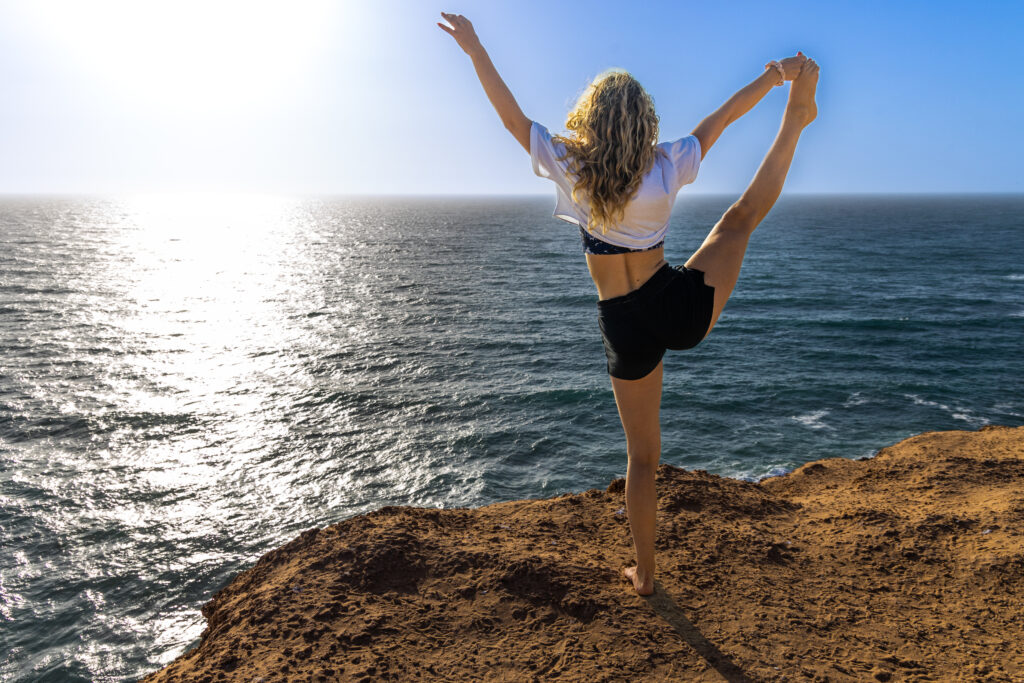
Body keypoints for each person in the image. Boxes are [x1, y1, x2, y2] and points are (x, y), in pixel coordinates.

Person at [438, 11, 819, 596]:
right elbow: (719, 120)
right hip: (678, 306)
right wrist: (775, 80)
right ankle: (796, 123)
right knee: (739, 221)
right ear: (644, 122)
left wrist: (475, 49)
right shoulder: (665, 166)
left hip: (623, 327)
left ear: (589, 120)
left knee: (642, 457)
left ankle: (646, 574)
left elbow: (512, 116)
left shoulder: (572, 169)